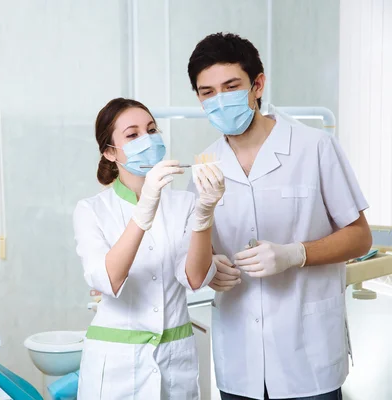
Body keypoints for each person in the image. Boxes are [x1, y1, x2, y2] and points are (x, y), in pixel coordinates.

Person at [186, 33, 372, 400]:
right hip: (239, 359)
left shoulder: (314, 147)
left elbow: (360, 237)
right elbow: (199, 259)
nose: (219, 100)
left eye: (231, 86)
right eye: (207, 92)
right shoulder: (205, 165)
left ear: (257, 84)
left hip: (308, 353)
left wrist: (295, 254)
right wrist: (212, 266)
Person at [73, 97, 225, 399]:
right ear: (109, 151)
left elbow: (194, 279)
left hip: (175, 356)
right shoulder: (91, 210)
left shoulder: (184, 203)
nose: (148, 140)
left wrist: (204, 213)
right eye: (132, 135)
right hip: (115, 362)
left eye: (152, 130)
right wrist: (145, 209)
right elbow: (108, 279)